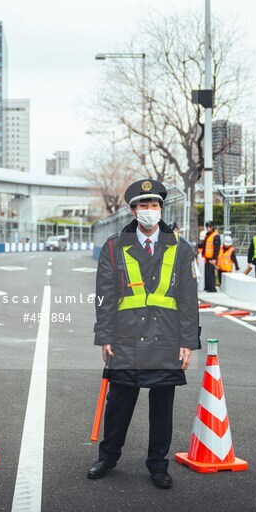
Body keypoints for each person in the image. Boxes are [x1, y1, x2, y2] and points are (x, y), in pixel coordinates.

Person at [89, 178, 200, 490]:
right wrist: (105, 337)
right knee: (119, 403)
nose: (149, 210)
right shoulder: (113, 247)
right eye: (143, 205)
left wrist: (187, 343)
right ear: (132, 210)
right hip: (125, 339)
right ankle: (107, 457)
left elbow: (188, 300)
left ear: (161, 209)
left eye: (154, 205)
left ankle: (158, 465)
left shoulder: (181, 249)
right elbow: (105, 296)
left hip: (166, 338)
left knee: (162, 408)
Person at [201, 220, 220, 292]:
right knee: (207, 273)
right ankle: (208, 287)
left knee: (211, 273)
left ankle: (212, 288)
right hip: (207, 257)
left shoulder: (215, 236)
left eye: (208, 227)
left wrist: (214, 258)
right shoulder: (208, 235)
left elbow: (216, 248)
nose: (207, 228)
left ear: (211, 227)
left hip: (212, 258)